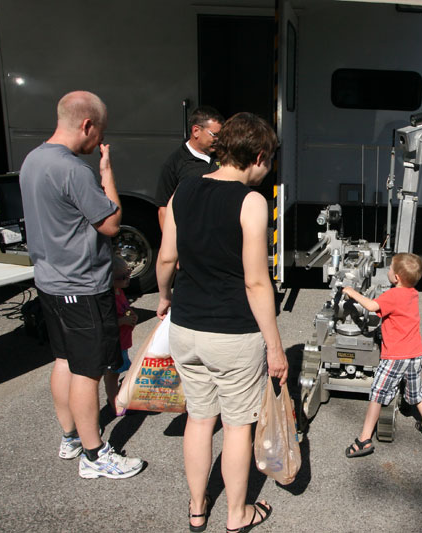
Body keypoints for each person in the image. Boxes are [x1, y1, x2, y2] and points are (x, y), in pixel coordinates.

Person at [156, 112, 287, 533]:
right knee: (236, 426)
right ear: (260, 156)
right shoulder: (251, 202)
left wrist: (164, 297)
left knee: (198, 418)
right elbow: (255, 281)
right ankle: (237, 513)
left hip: (186, 327)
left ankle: (197, 507)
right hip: (232, 333)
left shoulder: (185, 188)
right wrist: (275, 345)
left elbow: (167, 258)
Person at [19, 90, 144, 479]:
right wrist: (107, 176)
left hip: (50, 281)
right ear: (87, 124)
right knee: (88, 371)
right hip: (82, 284)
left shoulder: (33, 159)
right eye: (99, 132)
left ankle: (71, 437)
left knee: (64, 360)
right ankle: (95, 455)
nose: (98, 142)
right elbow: (110, 223)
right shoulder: (73, 169)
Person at [342, 252, 422, 457]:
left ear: (396, 278)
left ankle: (364, 439)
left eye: (390, 269)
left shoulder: (393, 295)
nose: (389, 271)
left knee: (377, 395)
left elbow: (371, 306)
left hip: (395, 357)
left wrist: (352, 292)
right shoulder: (413, 293)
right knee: (416, 390)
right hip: (415, 354)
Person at [155, 106, 224, 229]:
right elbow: (163, 208)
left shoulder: (225, 156)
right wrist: (171, 243)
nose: (218, 140)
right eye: (214, 135)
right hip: (191, 238)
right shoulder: (175, 163)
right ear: (196, 131)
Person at [104, 255, 138, 415]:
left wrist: (131, 313)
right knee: (112, 374)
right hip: (114, 343)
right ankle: (114, 402)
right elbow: (106, 323)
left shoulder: (119, 292)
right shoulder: (108, 297)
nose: (127, 279)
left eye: (128, 274)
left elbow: (125, 308)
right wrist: (123, 320)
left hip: (123, 342)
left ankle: (119, 396)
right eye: (122, 277)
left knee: (120, 371)